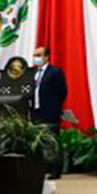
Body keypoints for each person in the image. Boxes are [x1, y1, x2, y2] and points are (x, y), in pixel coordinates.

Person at [31, 46, 67, 179]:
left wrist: (54, 106)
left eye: (39, 55)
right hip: (36, 111)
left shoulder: (55, 72)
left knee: (53, 141)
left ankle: (56, 170)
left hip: (50, 111)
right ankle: (41, 168)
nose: (36, 58)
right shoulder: (32, 73)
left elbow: (62, 91)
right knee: (38, 141)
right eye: (35, 55)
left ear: (46, 57)